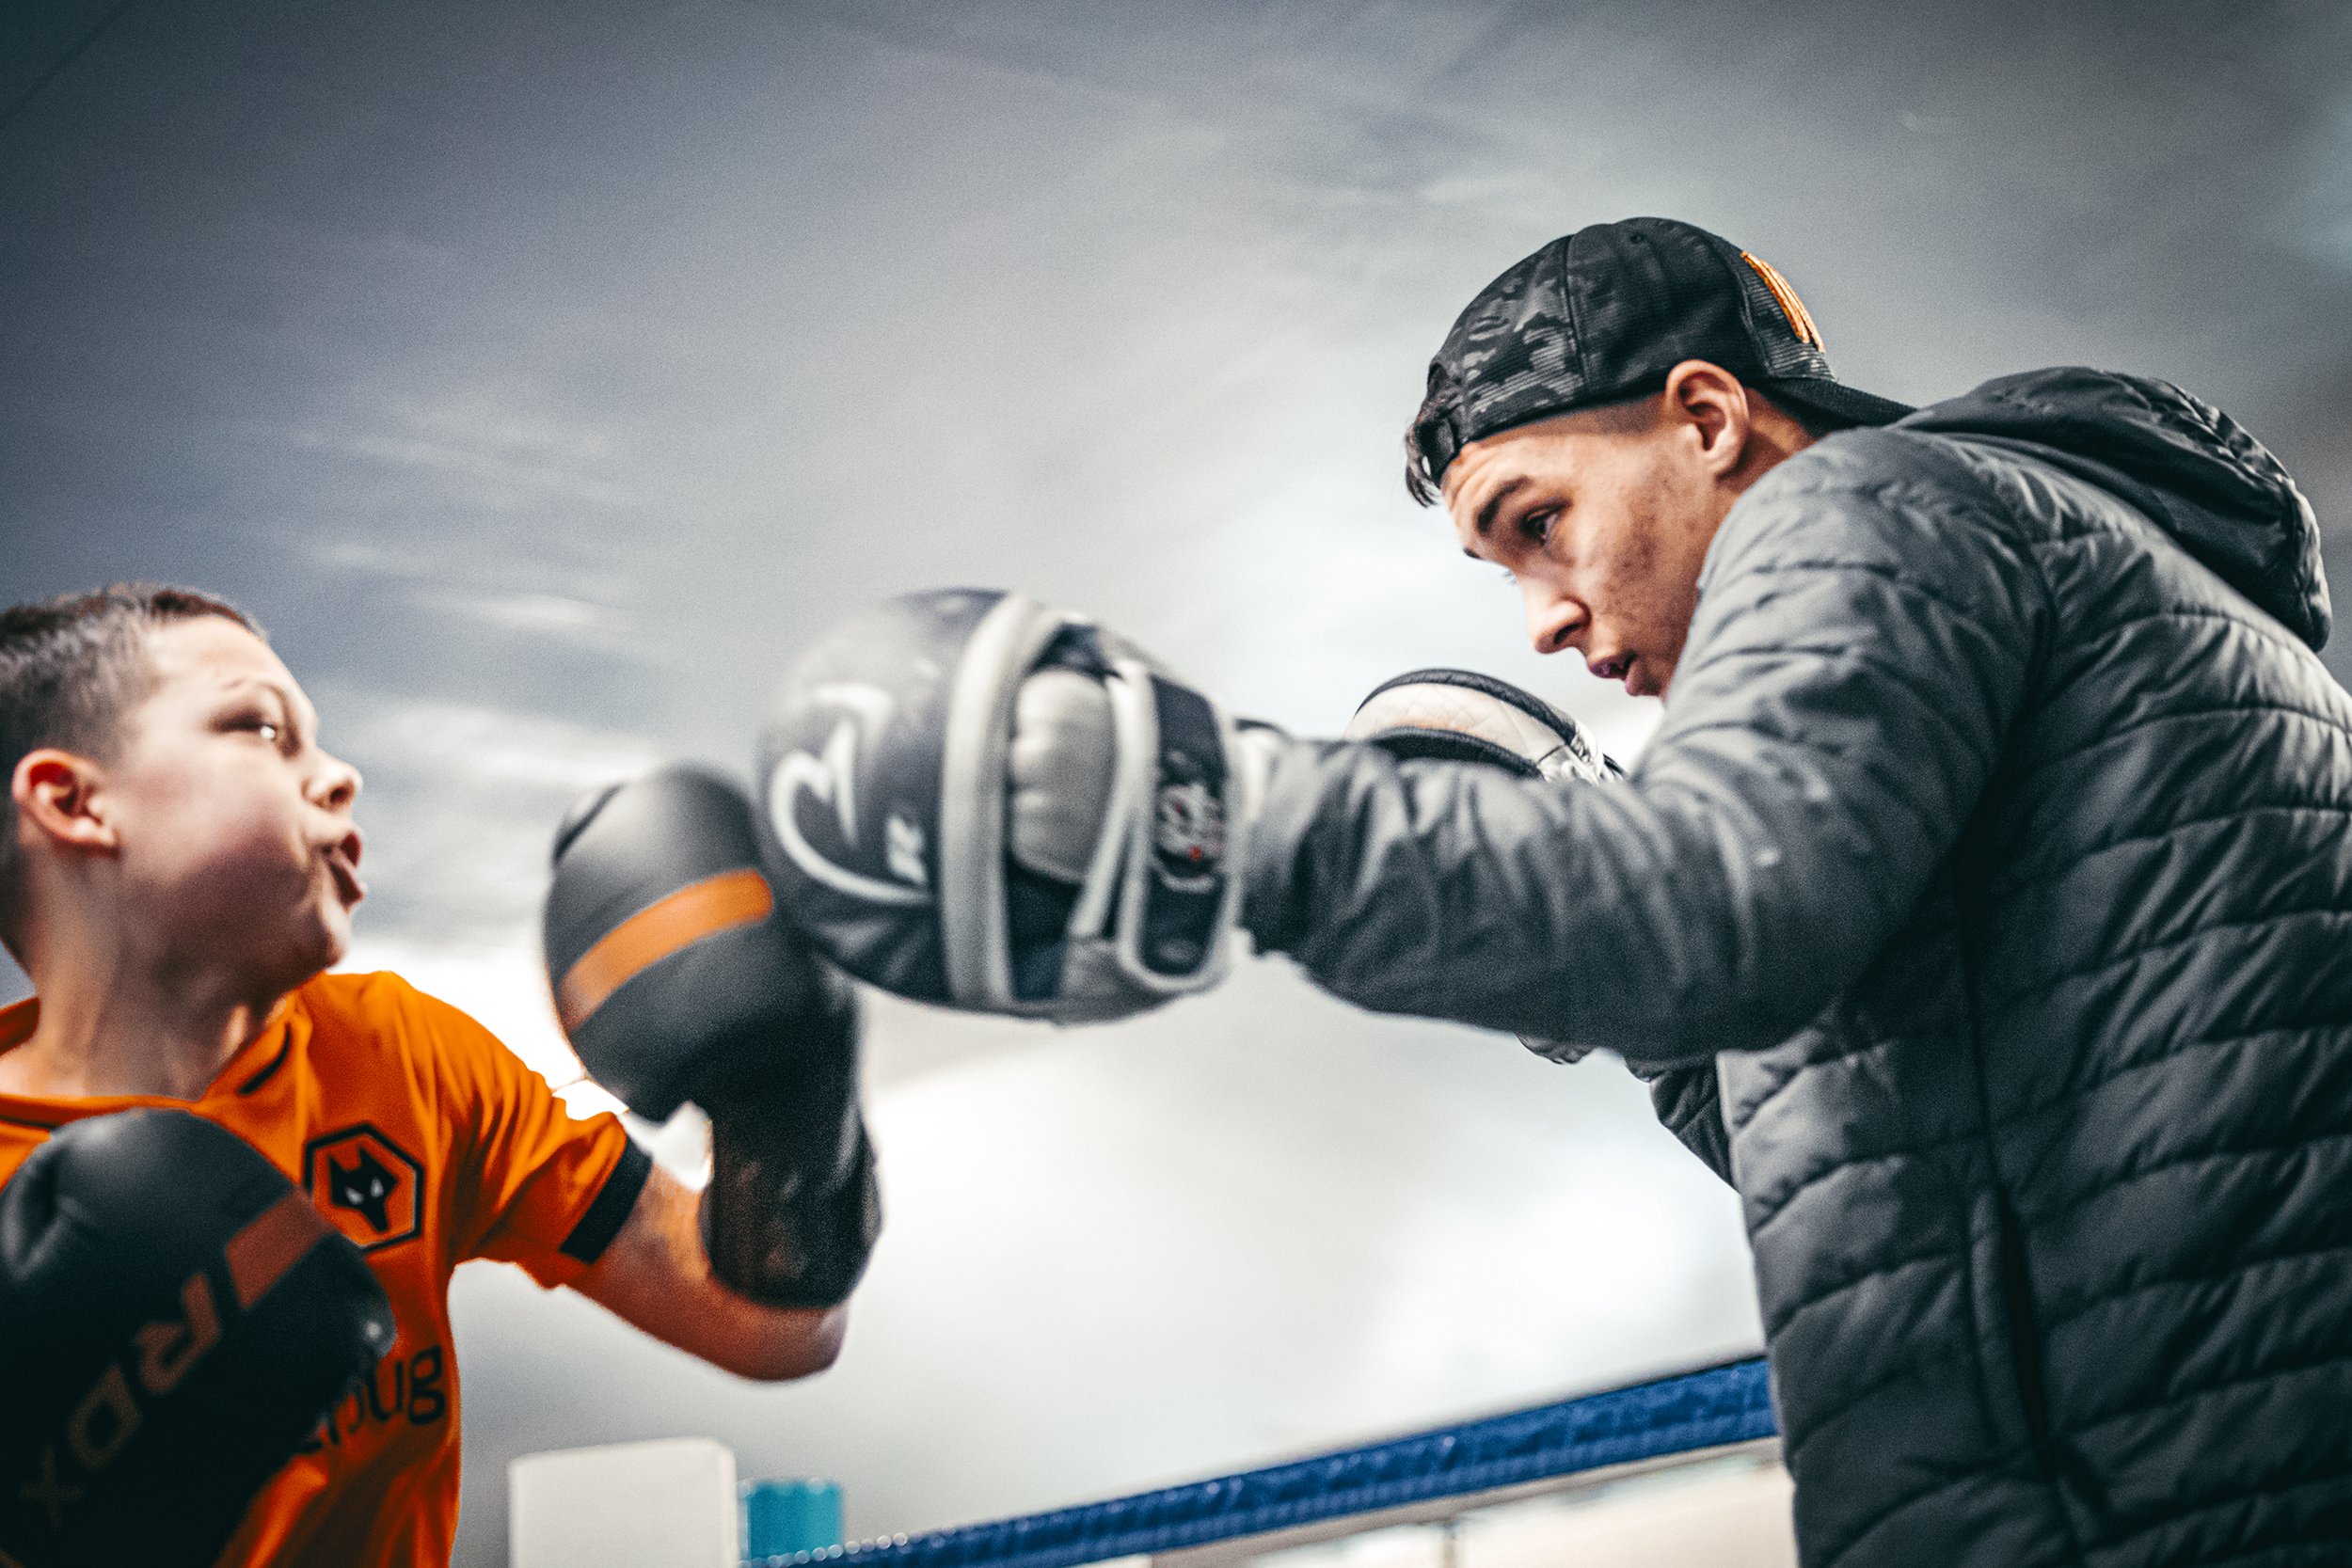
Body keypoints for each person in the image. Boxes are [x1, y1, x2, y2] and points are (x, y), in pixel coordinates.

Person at [758, 217, 2352, 1566]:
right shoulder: (2054, 587)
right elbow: (1919, 1170)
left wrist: (1224, 813)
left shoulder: (1864, 503)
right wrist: (1615, 978)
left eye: (1541, 525)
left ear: (1710, 418)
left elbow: (1728, 913)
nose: (1543, 618)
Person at [0, 584, 877, 1567]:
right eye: (259, 727)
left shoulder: (399, 1052)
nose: (337, 775)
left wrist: (788, 1101)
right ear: (74, 800)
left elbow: (773, 1330)